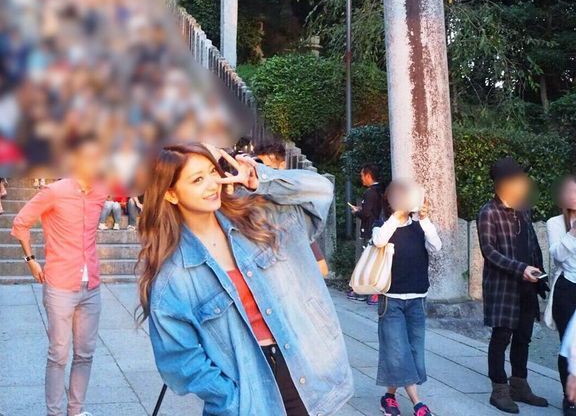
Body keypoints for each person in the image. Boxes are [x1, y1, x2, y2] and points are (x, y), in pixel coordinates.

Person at [137, 143, 353, 415]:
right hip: (249, 390)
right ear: (170, 194)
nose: (212, 184)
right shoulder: (174, 275)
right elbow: (180, 360)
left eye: (212, 172)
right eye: (197, 180)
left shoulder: (257, 218)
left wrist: (260, 179)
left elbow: (320, 190)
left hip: (304, 370)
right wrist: (230, 399)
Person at [11, 134, 108, 416]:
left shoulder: (100, 192)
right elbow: (20, 223)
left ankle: (76, 410)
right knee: (59, 354)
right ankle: (53, 413)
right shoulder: (55, 191)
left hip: (91, 286)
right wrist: (31, 261)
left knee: (85, 354)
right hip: (60, 285)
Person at [478, 157, 549, 413]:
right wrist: (521, 269)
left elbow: (532, 243)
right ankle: (499, 388)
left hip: (527, 285)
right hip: (503, 286)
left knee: (523, 337)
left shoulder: (523, 208)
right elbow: (489, 252)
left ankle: (519, 384)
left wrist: (540, 274)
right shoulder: (488, 212)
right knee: (501, 337)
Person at [371, 180, 441, 416]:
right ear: (390, 200)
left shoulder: (421, 226)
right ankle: (417, 403)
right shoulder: (382, 225)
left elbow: (436, 247)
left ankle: (389, 397)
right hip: (391, 299)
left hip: (417, 299)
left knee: (412, 352)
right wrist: (397, 216)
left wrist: (424, 218)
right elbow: (379, 241)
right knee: (398, 351)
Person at [255, 142, 329, 278]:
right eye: (259, 168)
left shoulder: (293, 201)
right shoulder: (252, 197)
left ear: (282, 165)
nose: (263, 173)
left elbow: (321, 268)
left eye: (268, 168)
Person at [545, 176, 576, 415]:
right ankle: (569, 398)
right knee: (568, 344)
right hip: (567, 288)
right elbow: (557, 256)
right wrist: (573, 233)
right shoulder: (555, 223)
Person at [348, 163, 386, 304]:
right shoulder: (381, 190)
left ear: (368, 176)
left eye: (362, 175)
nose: (361, 178)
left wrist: (356, 212)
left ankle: (365, 292)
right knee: (375, 262)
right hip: (380, 229)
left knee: (367, 262)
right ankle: (370, 293)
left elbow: (366, 214)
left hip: (370, 229)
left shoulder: (370, 193)